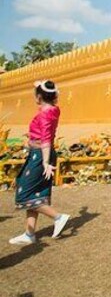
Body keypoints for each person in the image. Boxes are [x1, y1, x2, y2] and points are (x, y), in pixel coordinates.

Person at [9, 80, 71, 245]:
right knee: (36, 193)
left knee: (24, 192)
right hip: (41, 153)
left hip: (40, 155)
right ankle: (29, 233)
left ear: (39, 96)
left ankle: (58, 217)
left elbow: (45, 138)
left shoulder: (45, 113)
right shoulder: (54, 109)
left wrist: (44, 162)